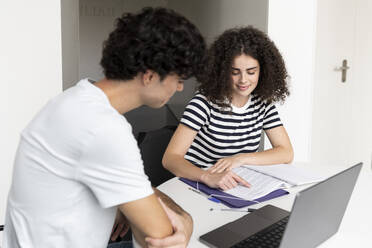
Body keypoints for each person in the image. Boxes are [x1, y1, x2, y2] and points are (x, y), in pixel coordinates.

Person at [2, 7, 206, 248]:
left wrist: (129, 202)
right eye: (178, 80)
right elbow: (163, 236)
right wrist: (187, 220)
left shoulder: (74, 99)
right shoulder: (102, 128)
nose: (180, 89)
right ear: (149, 76)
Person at [163, 26, 294, 191]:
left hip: (236, 183)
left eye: (251, 72)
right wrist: (207, 176)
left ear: (263, 71)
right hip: (199, 183)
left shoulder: (263, 104)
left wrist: (240, 159)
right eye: (235, 72)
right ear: (223, 71)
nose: (243, 80)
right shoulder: (203, 103)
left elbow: (286, 152)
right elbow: (170, 158)